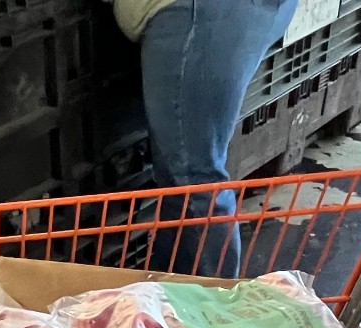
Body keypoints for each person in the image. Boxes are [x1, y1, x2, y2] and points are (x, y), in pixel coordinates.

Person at [111, 0, 300, 277]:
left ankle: (214, 299)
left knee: (193, 177)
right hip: (229, 12)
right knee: (183, 177)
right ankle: (173, 289)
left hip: (198, 13)